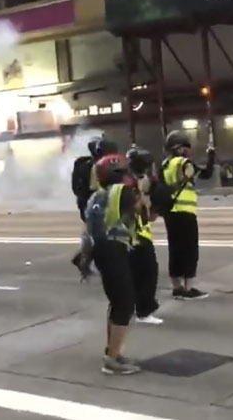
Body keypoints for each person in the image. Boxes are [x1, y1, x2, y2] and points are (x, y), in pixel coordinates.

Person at [84, 154, 141, 375]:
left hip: (101, 251)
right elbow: (140, 208)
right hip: (115, 249)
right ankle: (112, 359)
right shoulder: (122, 192)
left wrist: (85, 257)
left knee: (117, 303)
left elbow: (88, 229)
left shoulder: (96, 196)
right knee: (125, 305)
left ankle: (112, 351)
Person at [161, 130, 215, 300]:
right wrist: (211, 156)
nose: (188, 150)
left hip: (170, 213)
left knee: (175, 250)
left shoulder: (164, 165)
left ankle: (177, 288)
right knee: (190, 250)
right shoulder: (185, 163)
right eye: (186, 147)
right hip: (185, 213)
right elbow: (206, 174)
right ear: (180, 148)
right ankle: (189, 288)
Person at [70, 137, 118, 279]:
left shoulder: (91, 165)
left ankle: (83, 257)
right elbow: (96, 188)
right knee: (98, 234)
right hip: (93, 204)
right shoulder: (95, 167)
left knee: (93, 233)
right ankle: (86, 259)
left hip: (89, 203)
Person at [127, 146, 163, 325]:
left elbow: (150, 217)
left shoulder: (131, 182)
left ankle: (137, 308)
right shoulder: (133, 185)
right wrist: (145, 193)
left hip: (135, 235)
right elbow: (140, 211)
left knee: (137, 274)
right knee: (148, 273)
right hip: (137, 236)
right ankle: (144, 311)